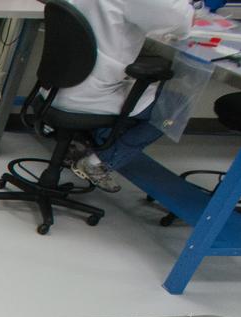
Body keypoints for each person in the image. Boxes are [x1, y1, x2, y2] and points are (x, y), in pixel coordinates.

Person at [53, 0, 197, 193]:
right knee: (176, 105)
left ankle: (86, 142)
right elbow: (181, 21)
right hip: (92, 92)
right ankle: (99, 161)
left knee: (147, 91)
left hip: (55, 85)